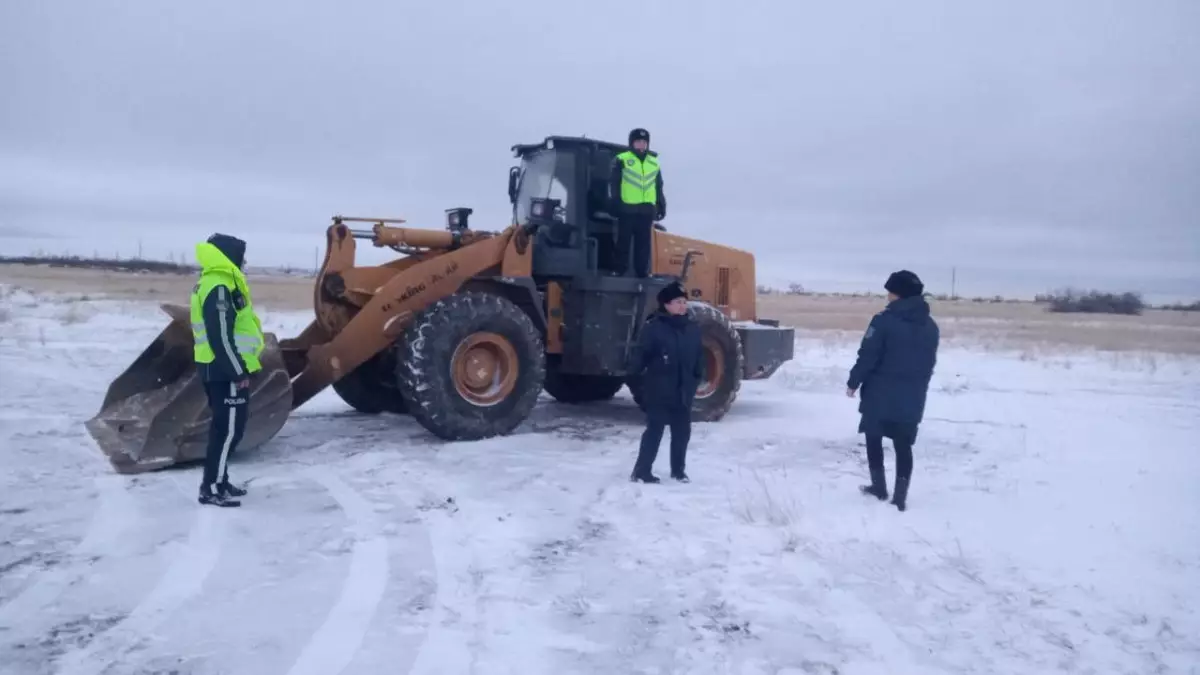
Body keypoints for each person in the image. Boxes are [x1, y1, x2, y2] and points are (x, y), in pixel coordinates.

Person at [845, 270, 939, 512]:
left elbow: (868, 355)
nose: (887, 296)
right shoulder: (930, 326)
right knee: (903, 444)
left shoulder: (883, 321)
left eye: (890, 291)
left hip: (880, 392)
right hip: (913, 394)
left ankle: (879, 488)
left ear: (899, 293)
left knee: (873, 436)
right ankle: (900, 497)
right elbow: (930, 363)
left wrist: (854, 381)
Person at [189, 233, 266, 507]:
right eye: (241, 256)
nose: (244, 262)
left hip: (221, 368)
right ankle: (210, 488)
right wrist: (237, 372)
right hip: (224, 371)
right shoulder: (219, 287)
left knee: (229, 428)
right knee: (227, 431)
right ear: (230, 256)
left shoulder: (217, 282)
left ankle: (219, 481)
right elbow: (220, 336)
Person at [629, 282, 701, 483]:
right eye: (678, 302)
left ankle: (678, 471)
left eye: (684, 302)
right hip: (659, 391)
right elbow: (639, 360)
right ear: (666, 305)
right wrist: (642, 388)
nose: (682, 306)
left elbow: (698, 360)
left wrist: (694, 382)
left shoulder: (693, 329)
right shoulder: (654, 329)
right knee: (655, 431)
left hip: (683, 392)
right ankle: (642, 472)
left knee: (682, 433)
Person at [610, 127, 666, 278]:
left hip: (646, 209)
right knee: (623, 241)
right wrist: (615, 201)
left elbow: (658, 185)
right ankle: (619, 269)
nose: (641, 145)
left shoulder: (654, 163)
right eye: (638, 142)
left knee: (643, 243)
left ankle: (642, 271)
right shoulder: (622, 159)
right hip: (627, 207)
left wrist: (661, 204)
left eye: (644, 142)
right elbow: (614, 183)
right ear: (632, 143)